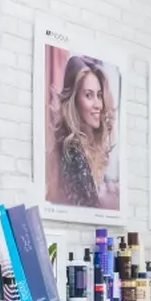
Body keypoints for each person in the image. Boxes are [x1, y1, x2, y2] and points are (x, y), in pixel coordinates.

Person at [51, 55, 116, 208]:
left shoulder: (85, 150)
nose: (98, 104)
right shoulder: (72, 153)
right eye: (88, 95)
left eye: (99, 96)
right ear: (74, 100)